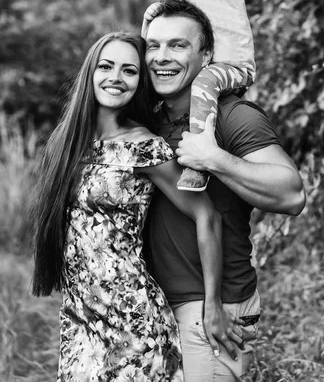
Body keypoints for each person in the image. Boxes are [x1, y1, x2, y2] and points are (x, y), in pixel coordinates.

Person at [31, 31, 232, 382]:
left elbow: (206, 215)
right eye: (106, 66)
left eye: (129, 70)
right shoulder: (66, 145)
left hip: (132, 317)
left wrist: (213, 302)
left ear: (140, 82)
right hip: (80, 319)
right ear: (90, 72)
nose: (115, 78)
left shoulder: (143, 147)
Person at [143, 0, 306, 382]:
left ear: (207, 55)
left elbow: (291, 194)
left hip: (215, 312)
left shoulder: (233, 115)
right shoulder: (149, 119)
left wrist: (213, 158)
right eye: (154, 45)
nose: (162, 57)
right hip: (156, 305)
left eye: (178, 45)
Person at [142, 0, 268, 191]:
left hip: (235, 68)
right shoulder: (179, 2)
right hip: (207, 77)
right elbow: (150, 41)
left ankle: (200, 155)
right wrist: (150, 14)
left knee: (204, 79)